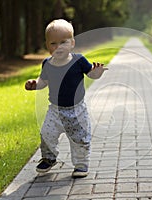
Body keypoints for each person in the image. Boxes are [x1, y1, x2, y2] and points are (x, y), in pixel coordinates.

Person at [25, 19, 107, 178]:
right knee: (46, 133)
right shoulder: (47, 64)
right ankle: (49, 158)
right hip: (55, 110)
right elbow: (43, 82)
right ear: (47, 46)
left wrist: (98, 72)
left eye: (63, 42)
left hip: (76, 110)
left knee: (79, 139)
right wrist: (35, 84)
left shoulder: (79, 60)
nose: (58, 47)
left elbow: (91, 74)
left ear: (72, 43)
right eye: (53, 43)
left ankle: (81, 164)